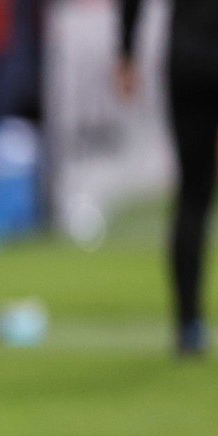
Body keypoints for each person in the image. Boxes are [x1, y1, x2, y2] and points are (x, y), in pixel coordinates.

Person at [117, 0, 218, 355]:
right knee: (194, 194)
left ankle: (188, 325)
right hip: (193, 59)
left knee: (192, 195)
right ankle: (188, 323)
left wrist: (126, 51)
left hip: (185, 59)